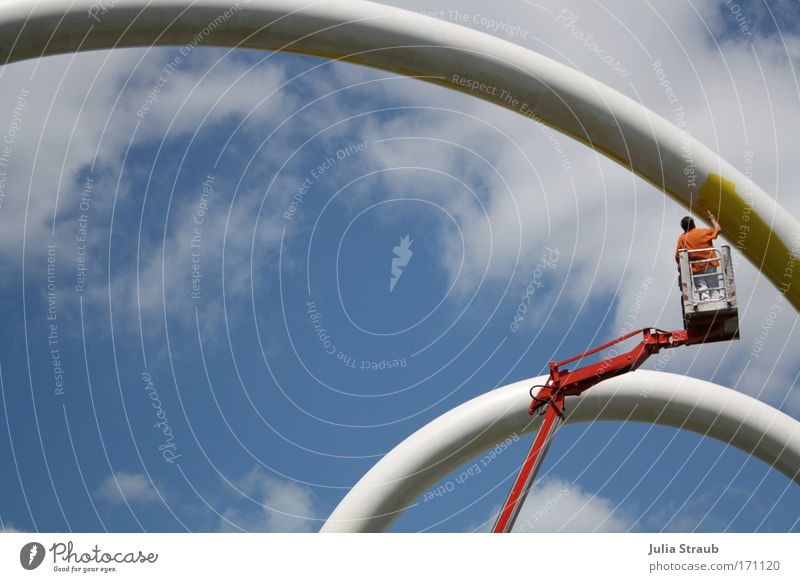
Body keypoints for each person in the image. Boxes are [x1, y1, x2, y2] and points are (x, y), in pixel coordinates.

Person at [675, 210, 723, 301]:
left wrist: (684, 267)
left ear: (683, 228)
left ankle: (705, 300)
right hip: (710, 264)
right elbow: (718, 229)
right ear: (694, 224)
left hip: (696, 267)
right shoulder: (704, 232)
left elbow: (678, 257)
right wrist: (713, 219)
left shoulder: (682, 239)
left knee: (702, 288)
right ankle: (716, 300)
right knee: (714, 288)